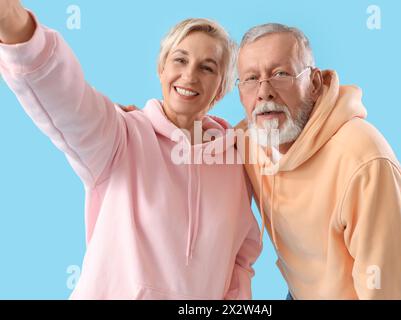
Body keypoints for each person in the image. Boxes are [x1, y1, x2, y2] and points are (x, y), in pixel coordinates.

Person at [0, 0, 261, 299]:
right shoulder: (121, 136)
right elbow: (66, 97)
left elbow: (240, 261)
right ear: (162, 69)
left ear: (220, 89)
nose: (190, 75)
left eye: (207, 67)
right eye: (180, 60)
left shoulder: (237, 163)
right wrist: (12, 21)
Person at [235, 23, 401, 299]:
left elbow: (385, 290)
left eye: (280, 74)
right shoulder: (249, 139)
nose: (264, 91)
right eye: (250, 78)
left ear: (315, 83)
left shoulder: (362, 160)